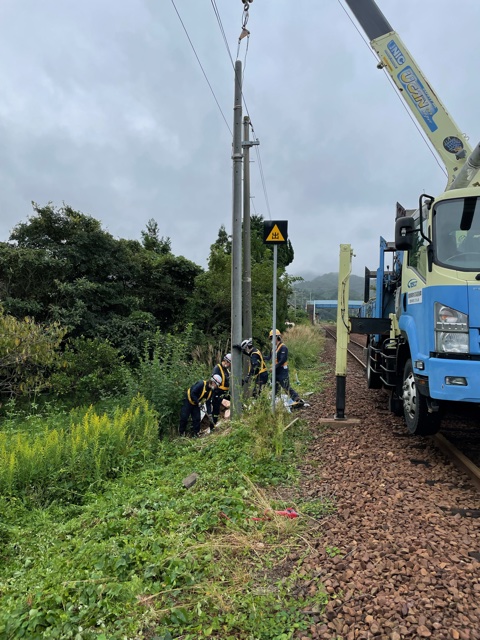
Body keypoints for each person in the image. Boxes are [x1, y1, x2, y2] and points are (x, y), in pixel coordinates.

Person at [266, 329, 305, 407]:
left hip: (282, 370)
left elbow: (282, 360)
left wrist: (274, 367)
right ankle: (276, 402)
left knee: (286, 386)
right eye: (271, 338)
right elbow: (269, 357)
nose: (271, 340)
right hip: (276, 371)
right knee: (275, 386)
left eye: (272, 338)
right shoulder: (274, 348)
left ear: (277, 337)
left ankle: (297, 399)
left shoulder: (283, 348)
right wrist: (260, 357)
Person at [211, 353, 231, 425]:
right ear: (226, 361)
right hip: (218, 392)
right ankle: (213, 426)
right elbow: (213, 382)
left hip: (225, 392)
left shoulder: (226, 370)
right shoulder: (217, 368)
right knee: (215, 411)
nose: (229, 366)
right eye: (229, 364)